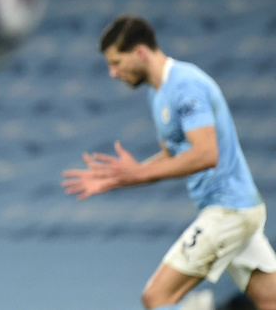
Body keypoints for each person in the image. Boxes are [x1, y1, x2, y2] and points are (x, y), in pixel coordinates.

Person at [62, 15, 276, 310]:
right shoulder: (158, 93)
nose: (113, 72)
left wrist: (138, 174)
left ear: (139, 53)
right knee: (270, 300)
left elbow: (205, 154)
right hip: (236, 209)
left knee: (157, 297)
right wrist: (122, 177)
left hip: (229, 210)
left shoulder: (185, 85)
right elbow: (173, 155)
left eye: (116, 62)